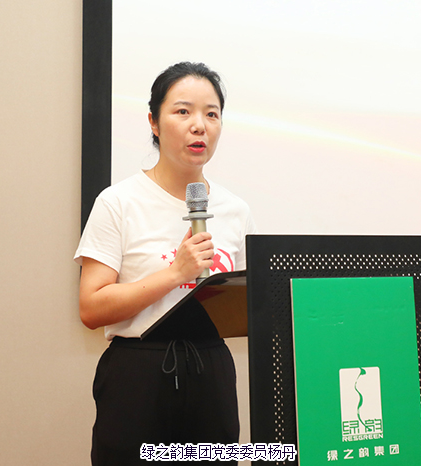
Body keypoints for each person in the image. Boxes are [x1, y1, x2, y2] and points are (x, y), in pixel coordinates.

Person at [75, 62, 256, 465]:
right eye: (183, 111)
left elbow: (246, 304)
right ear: (154, 123)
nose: (199, 125)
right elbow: (91, 308)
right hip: (137, 376)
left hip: (211, 372)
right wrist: (176, 273)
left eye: (212, 114)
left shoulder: (236, 210)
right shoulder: (119, 202)